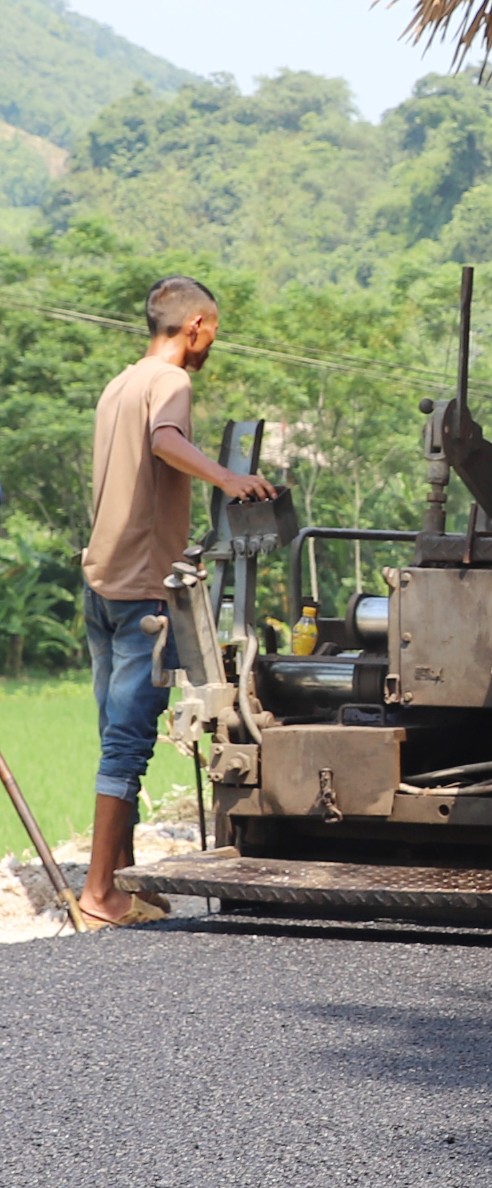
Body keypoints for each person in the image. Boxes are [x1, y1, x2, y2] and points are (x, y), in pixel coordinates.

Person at [74, 276, 276, 931]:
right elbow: (165, 440)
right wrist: (228, 477)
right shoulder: (171, 382)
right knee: (128, 746)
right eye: (212, 329)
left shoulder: (119, 383)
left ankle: (125, 881)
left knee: (114, 735)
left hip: (101, 582)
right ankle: (100, 894)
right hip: (140, 591)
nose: (211, 341)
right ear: (194, 326)